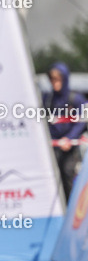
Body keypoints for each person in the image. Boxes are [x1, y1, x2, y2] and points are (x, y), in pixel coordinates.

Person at [43, 63, 87, 200]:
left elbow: (81, 122)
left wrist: (69, 138)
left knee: (68, 173)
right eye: (52, 79)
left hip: (70, 147)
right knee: (52, 177)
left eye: (58, 79)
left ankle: (71, 206)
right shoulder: (48, 99)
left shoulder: (76, 99)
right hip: (53, 146)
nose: (55, 83)